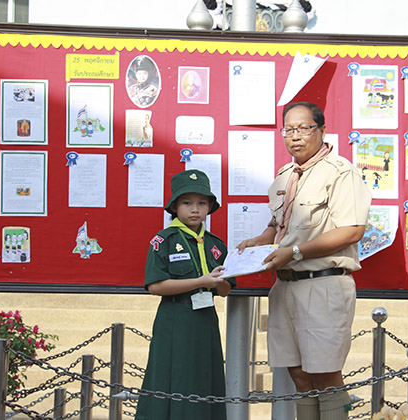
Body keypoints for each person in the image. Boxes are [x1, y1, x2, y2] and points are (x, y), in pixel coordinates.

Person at [236, 102, 371, 420]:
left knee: (325, 375)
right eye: (289, 129)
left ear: (322, 130)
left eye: (304, 128)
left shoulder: (341, 172)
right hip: (285, 285)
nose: (295, 136)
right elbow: (278, 225)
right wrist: (260, 240)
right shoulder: (284, 176)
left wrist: (295, 252)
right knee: (298, 374)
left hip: (322, 283)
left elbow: (352, 230)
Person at [135, 169, 234, 420]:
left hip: (205, 319)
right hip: (174, 318)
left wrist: (220, 282)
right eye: (187, 203)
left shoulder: (215, 244)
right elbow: (155, 286)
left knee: (204, 376)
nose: (195, 209)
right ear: (174, 207)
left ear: (209, 207)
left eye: (202, 203)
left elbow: (225, 290)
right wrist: (200, 281)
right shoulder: (164, 240)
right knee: (171, 376)